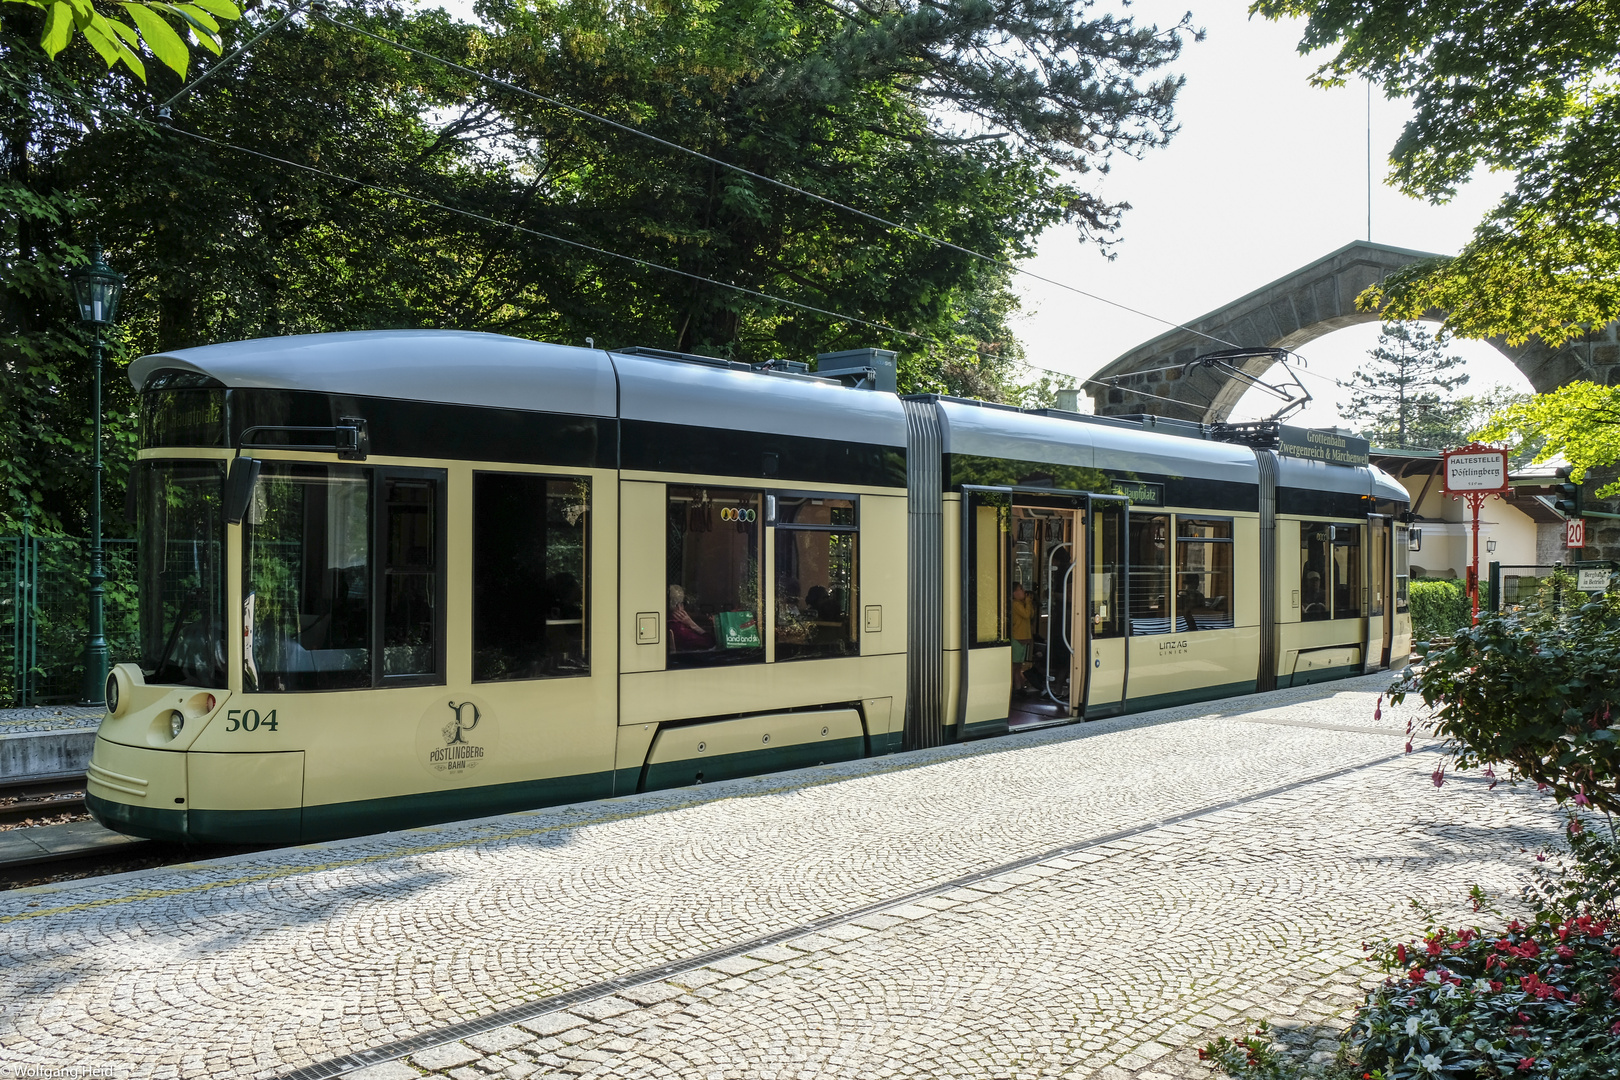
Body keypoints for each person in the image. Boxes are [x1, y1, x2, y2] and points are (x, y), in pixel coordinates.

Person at [668, 584, 712, 650]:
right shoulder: (680, 630)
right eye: (683, 604)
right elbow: (709, 642)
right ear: (678, 606)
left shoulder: (666, 624)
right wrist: (692, 624)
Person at [1009, 583, 1035, 692]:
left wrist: (1027, 602)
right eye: (1021, 589)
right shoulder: (1015, 604)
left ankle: (1018, 686)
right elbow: (1026, 614)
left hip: (1023, 637)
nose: (1024, 591)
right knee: (1015, 665)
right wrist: (1028, 602)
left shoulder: (1022, 604)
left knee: (1019, 665)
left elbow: (1032, 614)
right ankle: (1016, 686)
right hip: (1017, 637)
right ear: (1014, 593)